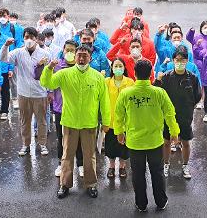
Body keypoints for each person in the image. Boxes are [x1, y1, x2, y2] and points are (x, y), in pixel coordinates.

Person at [40, 44, 111, 199]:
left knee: (89, 155)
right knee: (67, 155)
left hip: (89, 123)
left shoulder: (98, 77)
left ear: (90, 58)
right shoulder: (65, 73)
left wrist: (106, 122)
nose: (81, 58)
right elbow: (47, 83)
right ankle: (64, 185)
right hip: (70, 122)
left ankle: (91, 184)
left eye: (85, 55)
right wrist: (49, 68)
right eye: (79, 54)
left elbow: (104, 102)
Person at [115, 60, 178, 212]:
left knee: (137, 174)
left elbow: (118, 116)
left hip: (135, 142)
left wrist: (119, 132)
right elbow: (170, 113)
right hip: (155, 142)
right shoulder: (159, 92)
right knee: (157, 172)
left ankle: (141, 203)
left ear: (134, 74)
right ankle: (161, 201)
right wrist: (174, 131)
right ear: (151, 74)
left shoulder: (126, 93)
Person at [34, 40, 84, 177]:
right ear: (63, 50)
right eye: (67, 50)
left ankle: (80, 164)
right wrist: (45, 67)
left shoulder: (82, 67)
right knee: (62, 138)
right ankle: (61, 164)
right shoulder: (57, 65)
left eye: (72, 50)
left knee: (79, 138)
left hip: (77, 109)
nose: (69, 53)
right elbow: (42, 78)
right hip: (60, 108)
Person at [0, 28, 50, 157]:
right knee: (24, 121)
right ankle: (26, 144)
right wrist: (6, 46)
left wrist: (49, 91)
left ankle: (42, 144)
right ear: (23, 38)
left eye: (32, 37)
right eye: (26, 37)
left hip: (40, 93)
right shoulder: (18, 53)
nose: (29, 40)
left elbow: (50, 73)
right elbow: (4, 59)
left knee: (41, 121)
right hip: (23, 93)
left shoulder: (45, 53)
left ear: (36, 39)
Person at [155, 48, 201, 179]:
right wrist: (158, 80)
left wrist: (189, 107)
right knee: (166, 142)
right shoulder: (167, 76)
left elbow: (197, 95)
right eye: (177, 60)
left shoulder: (192, 77)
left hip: (185, 115)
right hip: (169, 116)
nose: (179, 62)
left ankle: (185, 165)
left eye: (182, 60)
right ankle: (166, 164)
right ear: (173, 61)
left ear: (187, 61)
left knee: (185, 142)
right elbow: (158, 93)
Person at [103, 57, 134, 179]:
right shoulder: (106, 82)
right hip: (110, 121)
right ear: (111, 68)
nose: (118, 68)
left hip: (126, 122)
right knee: (110, 146)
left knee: (124, 147)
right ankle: (111, 167)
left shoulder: (130, 82)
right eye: (115, 66)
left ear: (124, 67)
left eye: (120, 66)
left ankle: (122, 167)